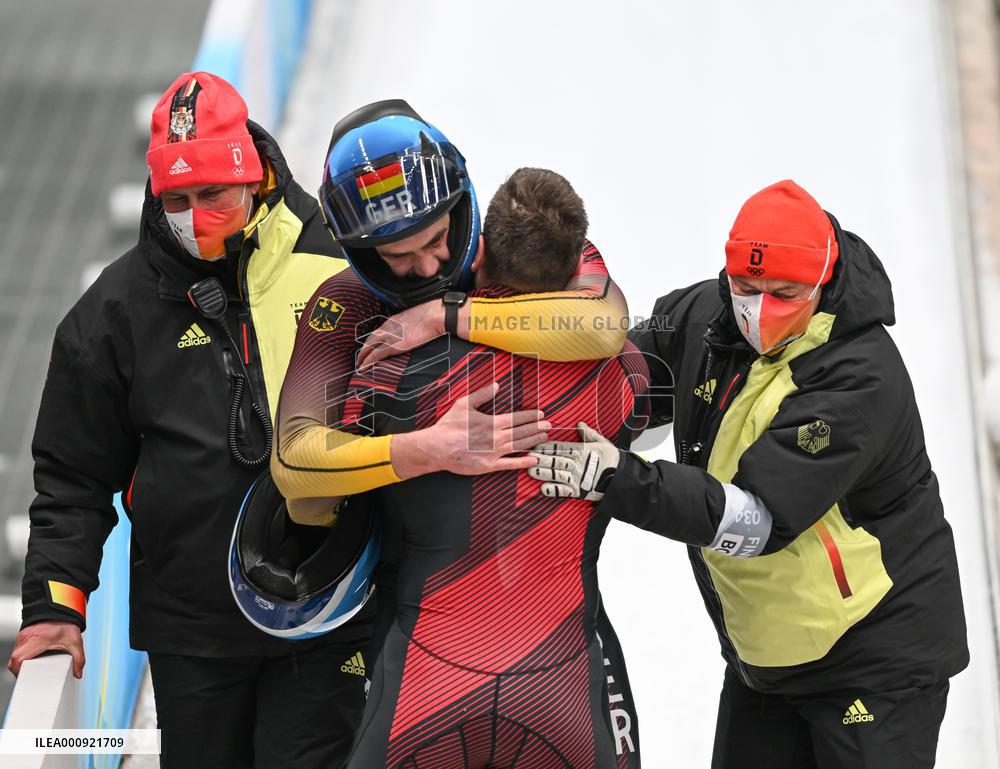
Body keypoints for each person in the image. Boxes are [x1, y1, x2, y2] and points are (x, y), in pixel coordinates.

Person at [528, 179, 969, 769]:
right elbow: (625, 381)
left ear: (822, 281)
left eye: (785, 293)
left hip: (873, 662)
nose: (759, 310)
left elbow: (755, 521)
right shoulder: (704, 318)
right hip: (767, 659)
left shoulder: (859, 377)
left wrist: (617, 478)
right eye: (746, 288)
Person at [8, 72, 374, 769]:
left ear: (256, 177)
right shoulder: (112, 314)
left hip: (332, 611)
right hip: (194, 631)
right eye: (177, 199)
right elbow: (71, 480)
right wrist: (55, 607)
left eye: (214, 194)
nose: (196, 215)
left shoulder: (339, 261)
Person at [270, 101, 642, 765]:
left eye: (438, 237)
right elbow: (295, 461)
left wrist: (446, 315)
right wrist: (429, 447)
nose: (427, 263)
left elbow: (605, 324)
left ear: (462, 201)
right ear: (359, 251)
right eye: (397, 255)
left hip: (517, 616)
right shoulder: (343, 302)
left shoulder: (522, 244)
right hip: (427, 610)